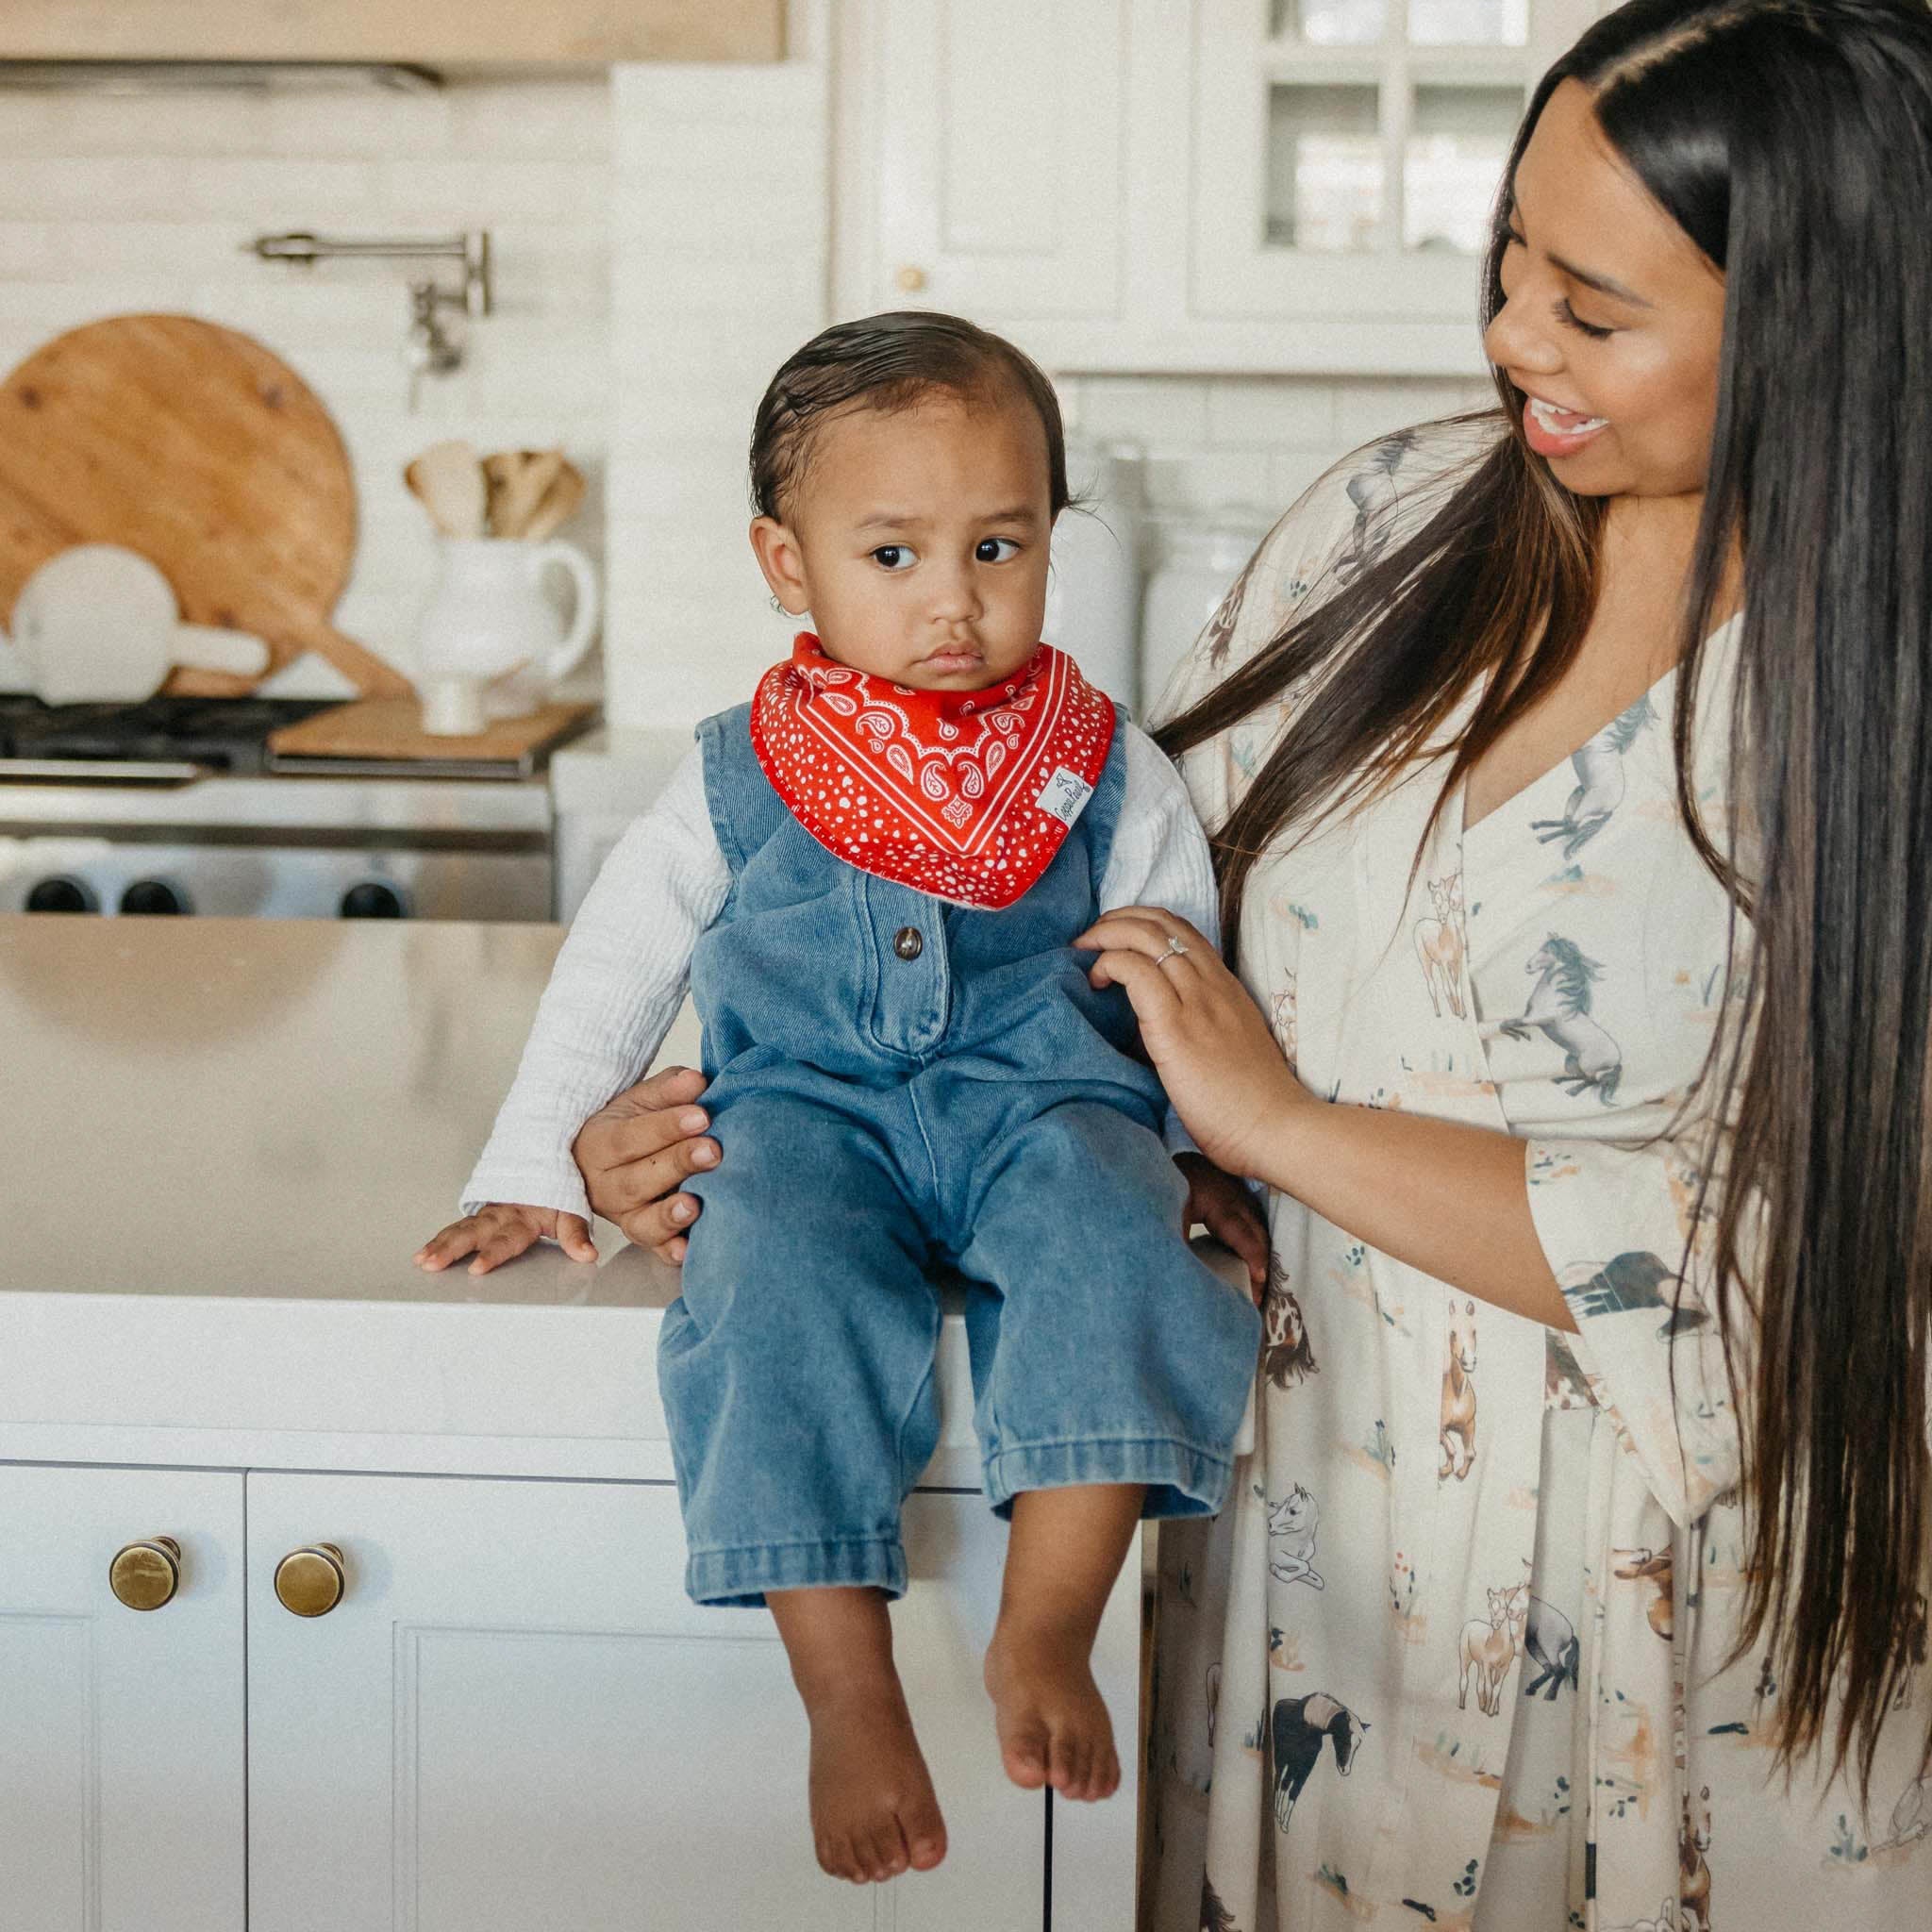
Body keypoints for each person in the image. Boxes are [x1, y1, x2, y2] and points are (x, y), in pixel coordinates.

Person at [574, 3, 1932, 1924]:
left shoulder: (1875, 703)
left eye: (1595, 309)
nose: (1511, 339)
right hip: (1303, 1572)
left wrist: (1278, 1125)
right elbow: (1061, 954)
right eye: (1512, 262)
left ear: (1831, 320)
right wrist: (741, 1136)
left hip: (1676, 1648)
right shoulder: (1368, 533)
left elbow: (1803, 1267)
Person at [414, 311, 1267, 1890]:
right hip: (807, 1123)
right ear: (786, 563)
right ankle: (844, 1680)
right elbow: (617, 965)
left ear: (1052, 544)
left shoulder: (1104, 765)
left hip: (1046, 1116)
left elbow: (1178, 964)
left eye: (999, 545)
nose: (954, 599)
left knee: (1115, 1242)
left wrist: (1207, 1151)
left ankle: (1049, 1625)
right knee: (764, 1276)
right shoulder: (740, 772)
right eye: (893, 554)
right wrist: (535, 1160)